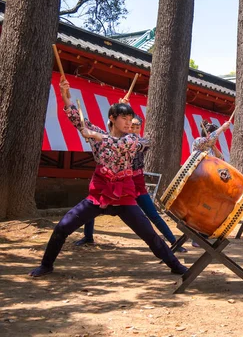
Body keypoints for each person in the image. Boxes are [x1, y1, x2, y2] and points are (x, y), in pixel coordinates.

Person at [29, 79, 187, 277]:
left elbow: (116, 144)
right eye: (125, 118)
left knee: (149, 234)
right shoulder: (99, 134)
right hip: (100, 194)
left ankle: (175, 266)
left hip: (124, 197)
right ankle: (46, 264)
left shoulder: (133, 139)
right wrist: (65, 96)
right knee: (62, 227)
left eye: (131, 119)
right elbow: (78, 120)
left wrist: (95, 135)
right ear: (112, 118)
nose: (130, 123)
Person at [75, 114, 186, 252]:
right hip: (117, 184)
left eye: (136, 127)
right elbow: (110, 135)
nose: (133, 129)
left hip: (136, 184)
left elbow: (124, 144)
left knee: (152, 214)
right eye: (131, 126)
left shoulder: (142, 142)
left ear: (140, 128)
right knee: (92, 205)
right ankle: (88, 236)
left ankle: (174, 242)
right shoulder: (116, 140)